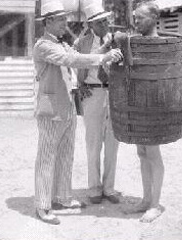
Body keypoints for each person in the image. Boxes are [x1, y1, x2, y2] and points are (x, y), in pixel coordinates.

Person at [33, 0, 123, 225]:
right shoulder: (44, 45)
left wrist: (103, 50)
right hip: (51, 109)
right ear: (49, 21)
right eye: (62, 19)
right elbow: (71, 59)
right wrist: (102, 58)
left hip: (67, 107)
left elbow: (75, 54)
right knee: (46, 158)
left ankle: (63, 197)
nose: (66, 23)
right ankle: (43, 205)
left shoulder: (60, 43)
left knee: (66, 155)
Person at [121, 2, 182, 223]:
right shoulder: (135, 43)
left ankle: (155, 204)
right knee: (142, 152)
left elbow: (173, 77)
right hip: (139, 103)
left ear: (154, 18)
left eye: (141, 18)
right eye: (135, 18)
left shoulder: (165, 44)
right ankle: (146, 199)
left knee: (153, 154)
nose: (136, 22)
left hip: (156, 106)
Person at [73, 3, 120, 205]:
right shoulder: (82, 42)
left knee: (112, 143)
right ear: (90, 24)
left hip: (114, 93)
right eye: (99, 21)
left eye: (106, 20)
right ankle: (94, 188)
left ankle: (109, 188)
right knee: (93, 143)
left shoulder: (118, 40)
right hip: (92, 92)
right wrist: (78, 85)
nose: (105, 24)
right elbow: (73, 63)